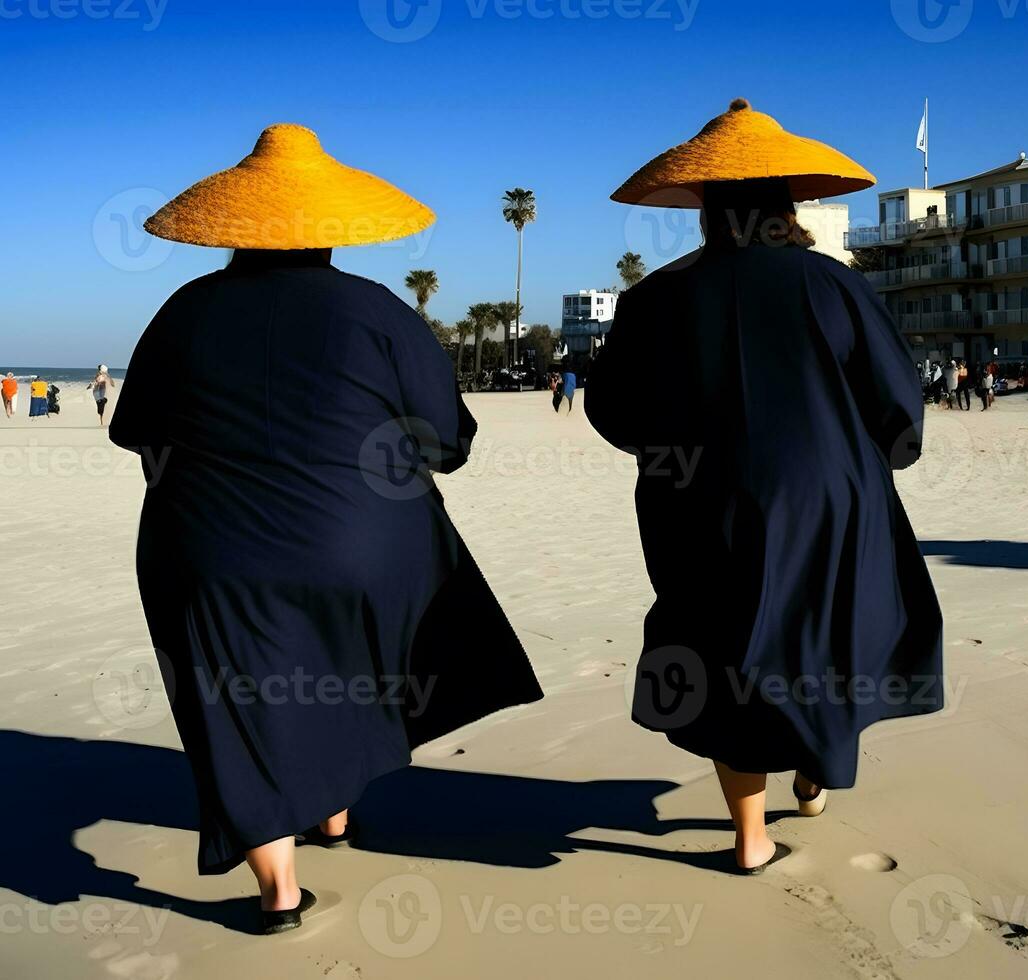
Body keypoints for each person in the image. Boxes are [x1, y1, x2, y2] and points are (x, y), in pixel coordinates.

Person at [109, 124, 543, 934]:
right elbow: (448, 443)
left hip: (207, 546)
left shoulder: (185, 311)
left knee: (238, 695)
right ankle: (335, 810)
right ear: (329, 231)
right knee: (346, 662)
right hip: (362, 543)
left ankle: (278, 890)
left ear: (235, 230)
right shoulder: (375, 311)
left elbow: (135, 431)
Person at [589, 100, 943, 875]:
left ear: (707, 209)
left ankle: (750, 837)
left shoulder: (656, 298)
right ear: (787, 202)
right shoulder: (831, 283)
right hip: (830, 493)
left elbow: (611, 409)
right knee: (830, 632)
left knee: (722, 648)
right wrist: (878, 457)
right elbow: (897, 401)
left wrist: (667, 456)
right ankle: (815, 765)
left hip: (699, 499)